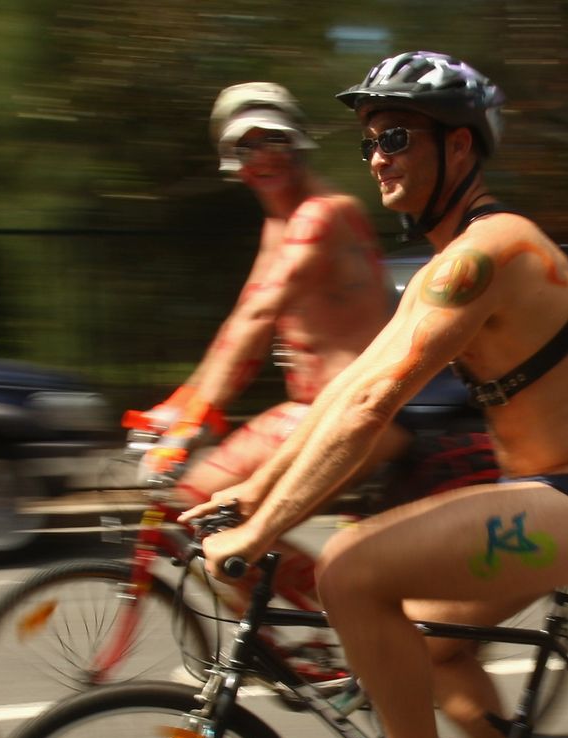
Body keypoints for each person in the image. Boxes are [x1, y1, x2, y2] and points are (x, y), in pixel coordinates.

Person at [185, 51, 568, 738]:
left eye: (397, 136)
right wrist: (253, 493)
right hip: (546, 495)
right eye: (370, 141)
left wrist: (260, 536)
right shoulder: (452, 263)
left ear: (460, 147)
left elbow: (372, 407)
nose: (377, 157)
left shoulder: (488, 253)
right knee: (433, 650)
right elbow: (345, 388)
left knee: (348, 569)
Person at [139, 82, 405, 602]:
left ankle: (352, 623)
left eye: (274, 140)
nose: (262, 156)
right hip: (314, 413)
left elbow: (260, 316)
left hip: (355, 416)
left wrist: (191, 423)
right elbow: (241, 324)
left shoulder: (322, 214)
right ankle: (316, 633)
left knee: (206, 509)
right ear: (231, 161)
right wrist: (179, 406)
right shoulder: (280, 225)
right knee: (200, 510)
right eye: (246, 146)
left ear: (299, 143)